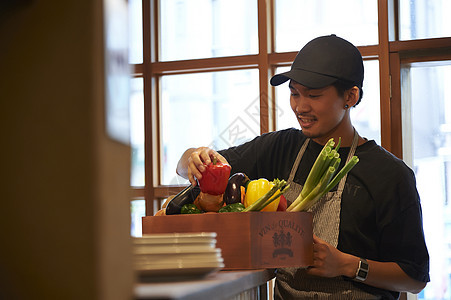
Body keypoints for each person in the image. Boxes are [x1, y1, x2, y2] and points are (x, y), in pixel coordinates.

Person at [176, 35, 429, 299]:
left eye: (314, 95)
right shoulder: (281, 147)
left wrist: (347, 265)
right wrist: (192, 159)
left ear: (351, 96)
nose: (300, 106)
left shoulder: (390, 174)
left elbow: (414, 278)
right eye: (294, 93)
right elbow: (197, 166)